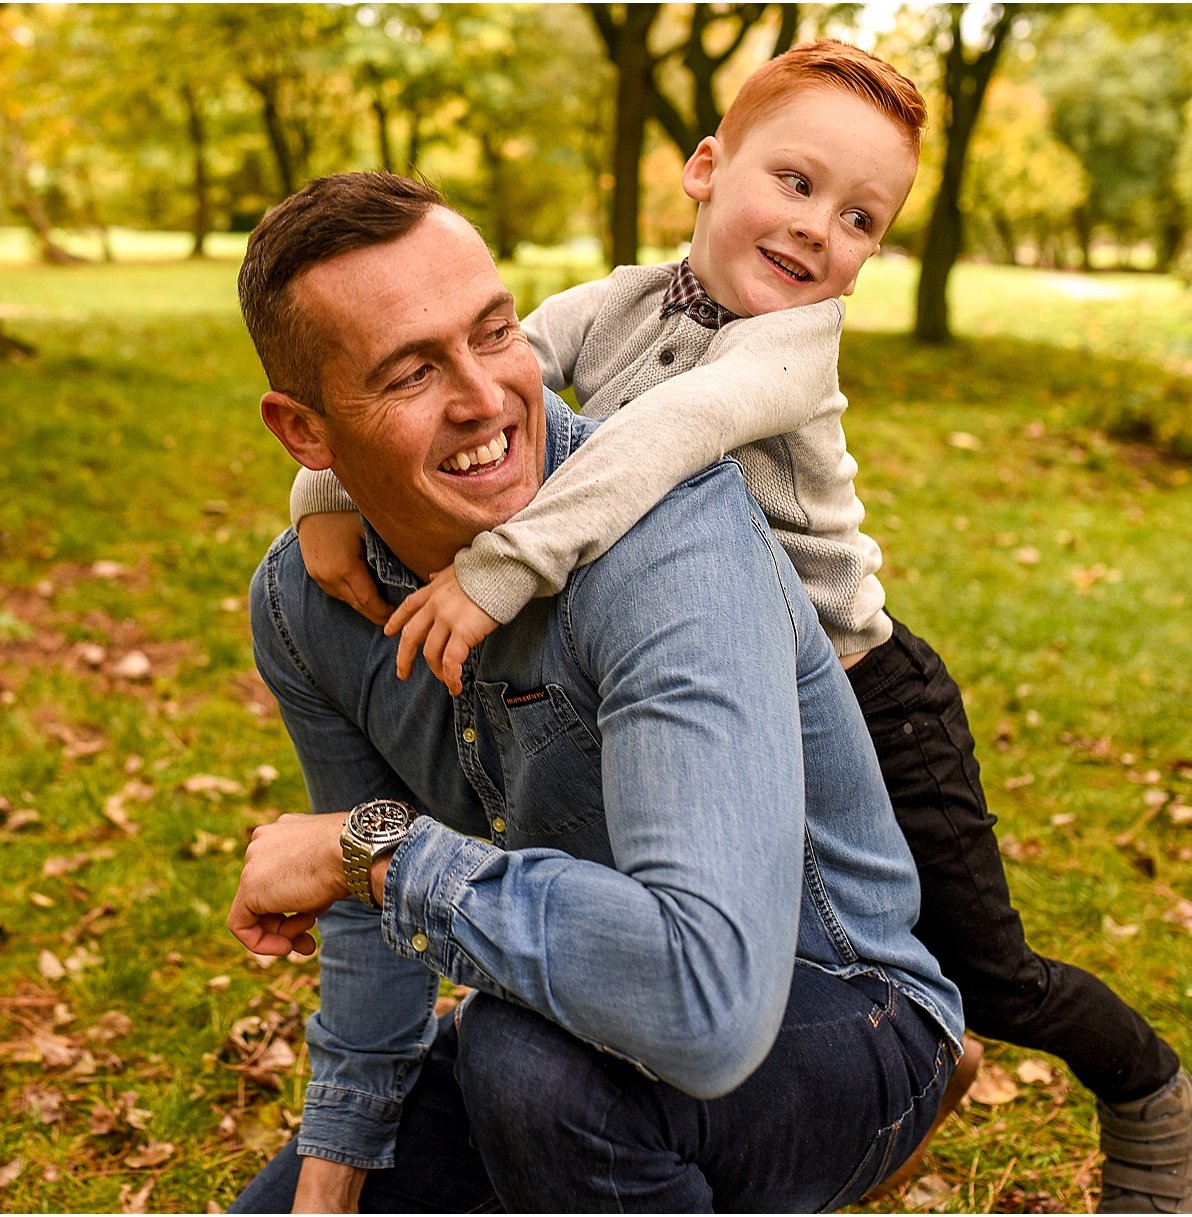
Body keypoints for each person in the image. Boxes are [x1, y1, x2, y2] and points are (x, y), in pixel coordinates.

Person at [289, 41, 1192, 1214]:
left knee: (990, 970)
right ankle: (822, 1082)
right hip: (698, 668)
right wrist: (325, 494)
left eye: (861, 218)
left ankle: (1142, 1089)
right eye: (796, 181)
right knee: (689, 900)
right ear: (705, 167)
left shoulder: (791, 348)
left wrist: (494, 574)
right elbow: (479, 374)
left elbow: (657, 441)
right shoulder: (618, 298)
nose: (821, 228)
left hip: (864, 689)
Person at [225, 169, 965, 1213]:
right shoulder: (309, 606)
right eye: (408, 374)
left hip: (835, 1011)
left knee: (530, 1067)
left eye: (493, 333)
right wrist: (331, 1173)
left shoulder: (668, 537)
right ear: (305, 435)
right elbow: (360, 913)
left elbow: (703, 1005)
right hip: (578, 1004)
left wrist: (381, 854)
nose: (485, 397)